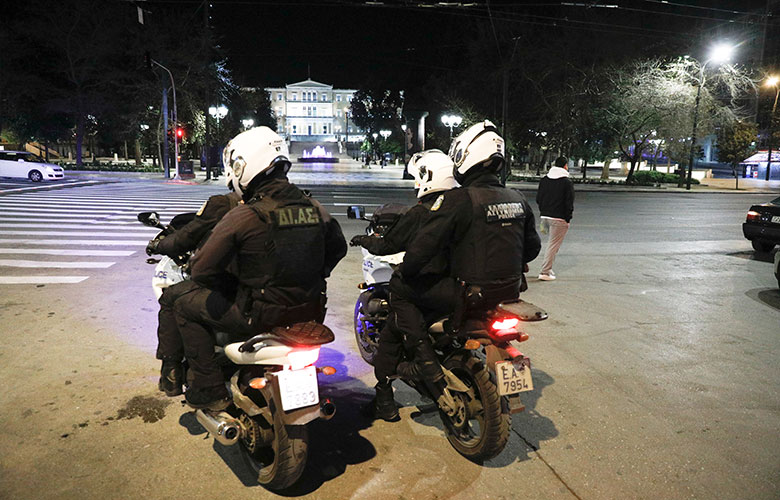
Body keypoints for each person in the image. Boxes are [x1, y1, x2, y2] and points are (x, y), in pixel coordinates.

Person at [172, 127, 347, 409]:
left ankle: (208, 388)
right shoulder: (313, 207)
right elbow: (338, 249)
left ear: (243, 166)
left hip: (258, 316)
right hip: (310, 310)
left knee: (180, 301)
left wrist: (233, 283)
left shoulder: (245, 214)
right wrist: (312, 274)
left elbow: (201, 271)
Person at [393, 120, 541, 399]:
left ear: (465, 156)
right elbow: (532, 249)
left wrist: (407, 270)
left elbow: (422, 249)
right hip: (508, 293)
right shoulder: (517, 198)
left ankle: (426, 362)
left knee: (400, 287)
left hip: (466, 295)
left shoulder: (458, 200)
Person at [350, 150, 459, 421]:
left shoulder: (421, 212)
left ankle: (387, 400)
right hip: (459, 290)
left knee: (390, 334)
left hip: (426, 291)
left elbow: (388, 245)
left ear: (426, 178)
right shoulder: (462, 207)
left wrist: (363, 240)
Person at [148, 188, 242, 397]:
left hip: (248, 306)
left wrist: (161, 245)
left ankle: (201, 383)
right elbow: (332, 250)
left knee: (176, 298)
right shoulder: (305, 205)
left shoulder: (228, 205)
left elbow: (191, 240)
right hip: (302, 305)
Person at [536, 155, 574, 281]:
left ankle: (548, 268)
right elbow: (569, 203)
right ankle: (545, 272)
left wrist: (543, 211)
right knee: (553, 245)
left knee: (551, 243)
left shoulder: (544, 180)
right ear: (565, 166)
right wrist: (568, 218)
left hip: (545, 217)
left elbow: (538, 199)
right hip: (559, 218)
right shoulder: (566, 182)